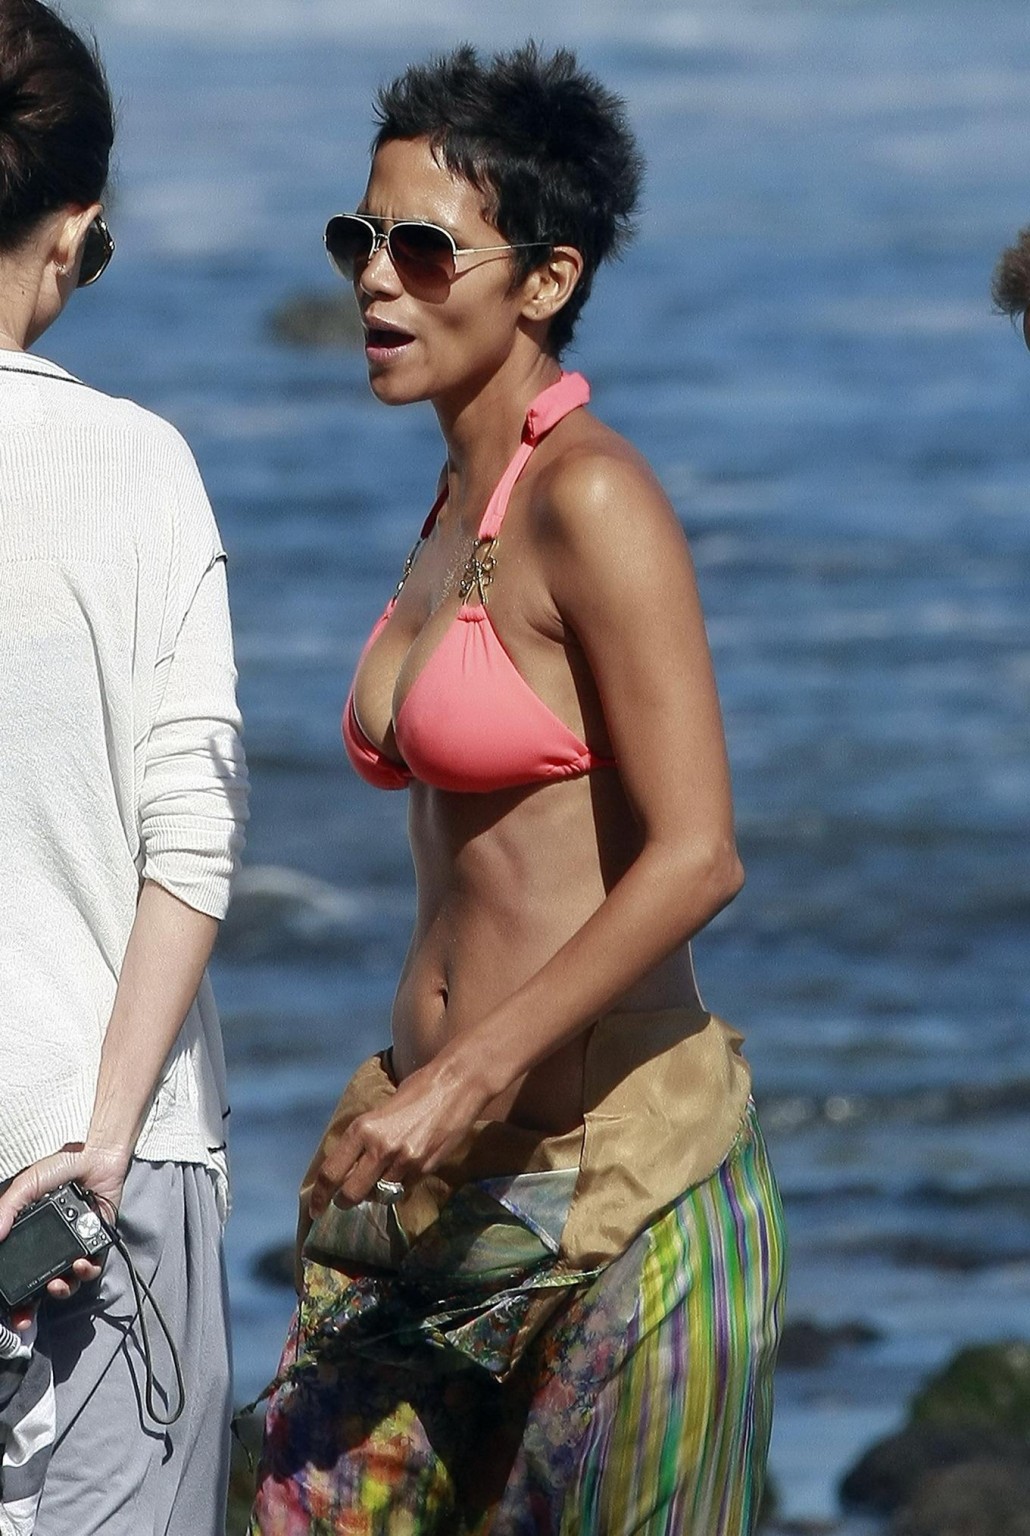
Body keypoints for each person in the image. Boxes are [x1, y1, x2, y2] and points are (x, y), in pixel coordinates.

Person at [250, 42, 784, 1536]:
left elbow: (695, 858)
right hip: (429, 1197)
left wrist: (470, 1073)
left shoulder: (592, 496)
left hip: (620, 1187)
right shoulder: (451, 505)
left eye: (424, 250)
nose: (375, 282)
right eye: (360, 239)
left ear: (543, 281)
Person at [0, 2, 248, 1532]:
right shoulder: (136, 465)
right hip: (97, 1178)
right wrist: (102, 1138)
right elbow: (192, 841)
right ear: (78, 223)